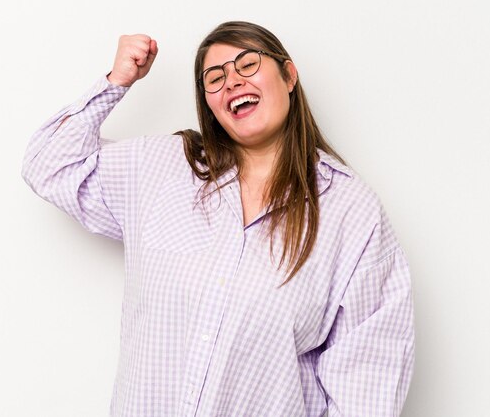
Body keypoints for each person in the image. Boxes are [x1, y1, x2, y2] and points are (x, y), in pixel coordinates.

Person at [22, 21, 414, 417]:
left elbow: (369, 385)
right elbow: (48, 166)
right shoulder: (160, 167)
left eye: (247, 64)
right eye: (215, 77)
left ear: (289, 75)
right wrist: (116, 82)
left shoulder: (350, 210)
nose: (232, 82)